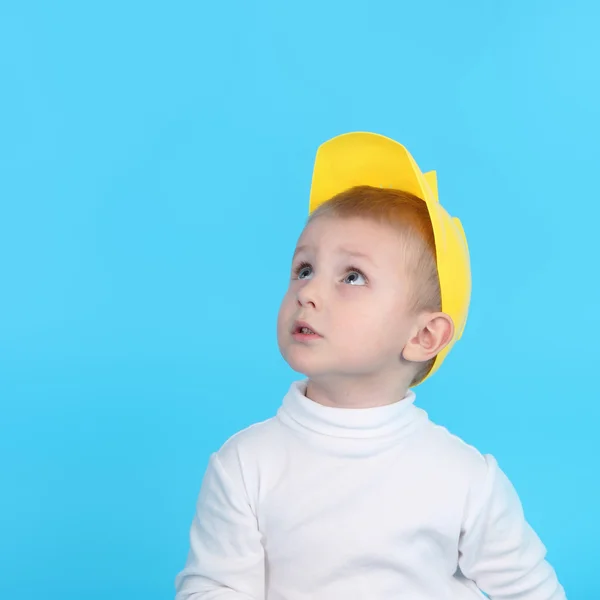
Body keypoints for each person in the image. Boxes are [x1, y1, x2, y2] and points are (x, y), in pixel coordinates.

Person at [174, 132, 566, 599]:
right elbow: (214, 589)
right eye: (304, 269)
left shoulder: (464, 478)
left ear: (423, 336)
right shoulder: (245, 465)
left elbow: (532, 591)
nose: (308, 292)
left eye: (352, 277)